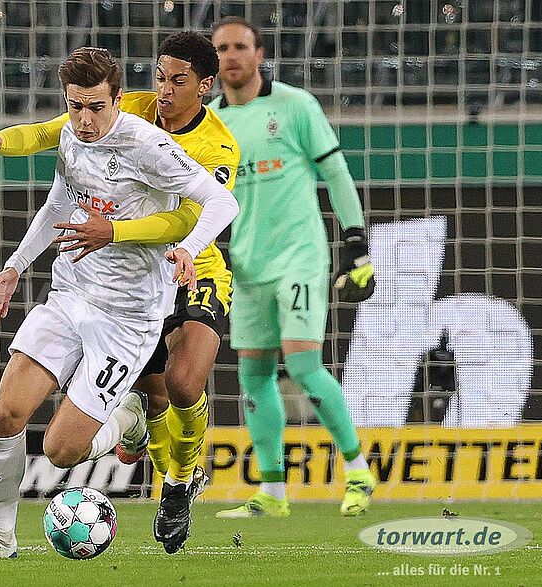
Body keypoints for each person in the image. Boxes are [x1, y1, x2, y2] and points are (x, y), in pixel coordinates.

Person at [0, 47, 238, 559]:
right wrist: (15, 267)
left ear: (118, 100)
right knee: (7, 413)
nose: (84, 120)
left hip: (128, 317)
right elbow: (57, 205)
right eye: (75, 106)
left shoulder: (149, 145)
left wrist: (187, 247)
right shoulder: (71, 135)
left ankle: (130, 423)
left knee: (60, 451)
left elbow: (222, 201)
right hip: (70, 294)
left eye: (95, 108)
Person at [206, 16, 377, 518]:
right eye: (221, 48)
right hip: (246, 265)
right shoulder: (210, 124)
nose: (231, 56)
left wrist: (356, 242)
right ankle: (272, 492)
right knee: (254, 374)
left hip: (299, 257)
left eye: (240, 46)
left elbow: (336, 172)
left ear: (260, 54)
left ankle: (358, 471)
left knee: (303, 365)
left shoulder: (295, 105)